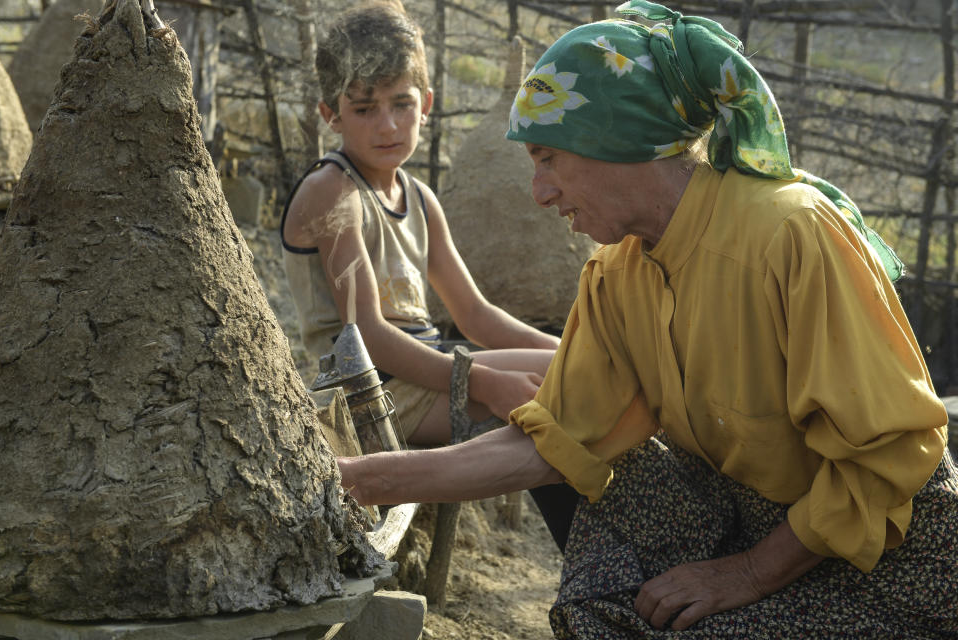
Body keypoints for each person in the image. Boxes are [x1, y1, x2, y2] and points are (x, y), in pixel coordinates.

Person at [337, 1, 958, 637]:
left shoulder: (790, 233)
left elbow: (888, 457)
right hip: (762, 519)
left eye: (549, 158)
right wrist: (360, 479)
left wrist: (742, 575)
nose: (540, 193)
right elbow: (551, 437)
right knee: (605, 563)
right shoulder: (617, 275)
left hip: (887, 549)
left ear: (616, 138)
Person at [281, 2, 579, 549]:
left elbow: (476, 315)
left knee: (576, 374)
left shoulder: (419, 198)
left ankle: (597, 568)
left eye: (401, 103)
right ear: (331, 114)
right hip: (365, 391)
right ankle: (591, 573)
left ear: (427, 106)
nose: (388, 124)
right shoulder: (334, 192)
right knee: (563, 401)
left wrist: (577, 347)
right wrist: (483, 382)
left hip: (425, 372)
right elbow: (365, 335)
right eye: (365, 108)